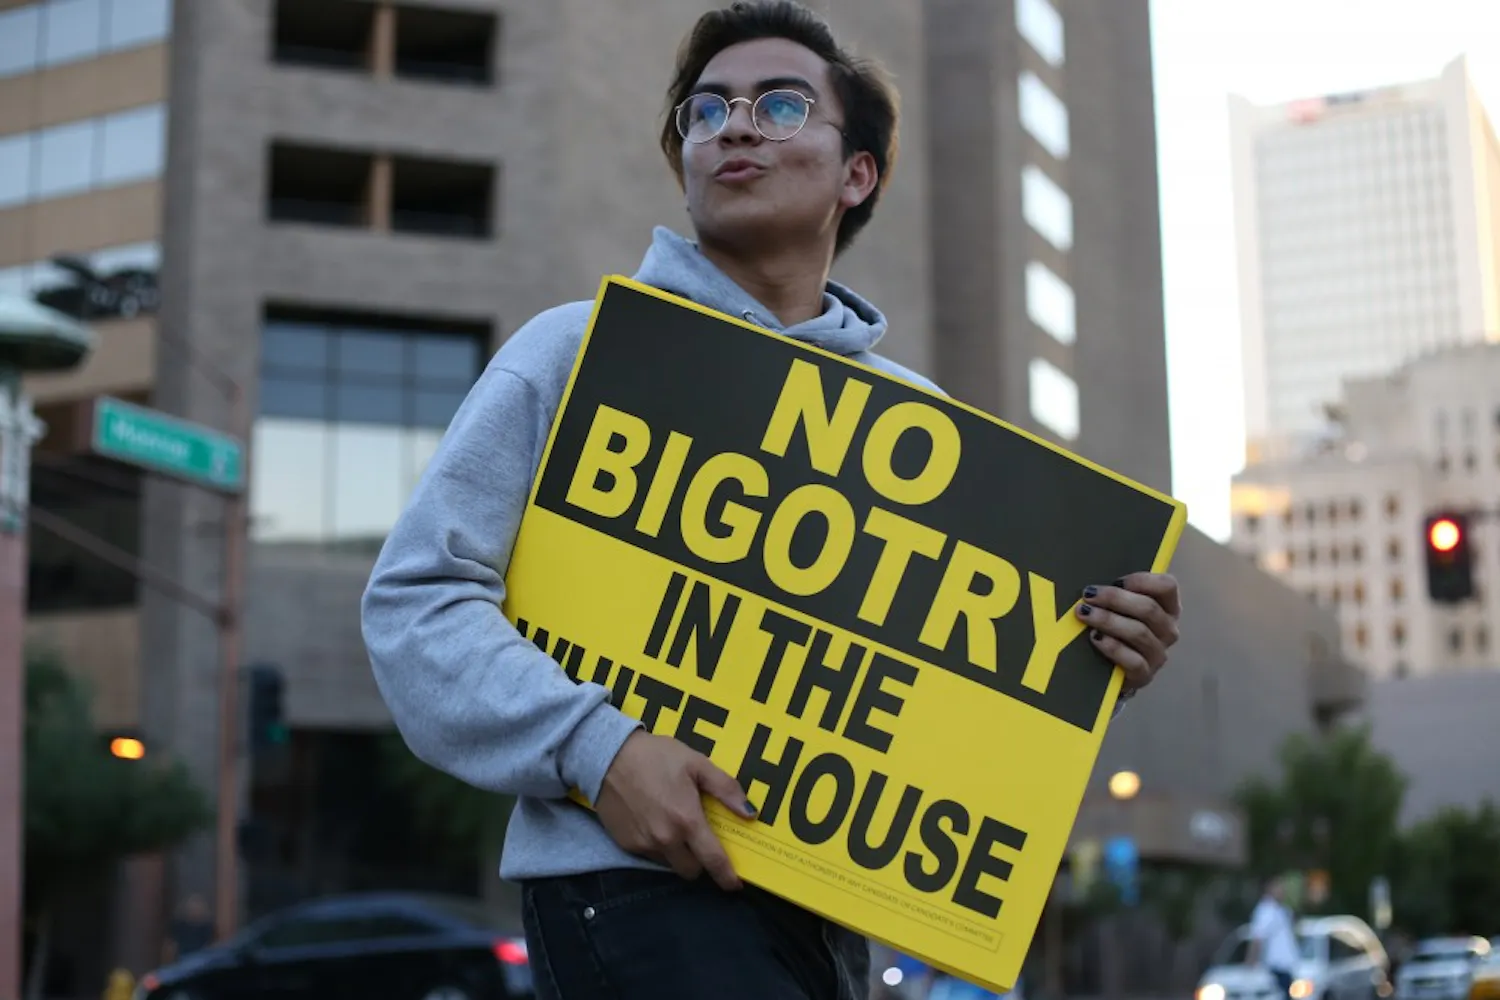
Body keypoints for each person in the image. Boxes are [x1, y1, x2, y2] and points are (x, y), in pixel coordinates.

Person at [360, 3, 1184, 998]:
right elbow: (415, 607)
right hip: (629, 891)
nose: (735, 125)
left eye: (779, 104)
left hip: (837, 924)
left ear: (858, 174)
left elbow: (932, 711)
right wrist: (600, 749)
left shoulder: (919, 425)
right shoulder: (576, 351)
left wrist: (1083, 667)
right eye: (706, 111)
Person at [1247, 876, 1300, 999]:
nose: (1282, 890)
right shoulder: (1265, 910)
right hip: (1276, 968)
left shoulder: (1281, 909)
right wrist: (1251, 961)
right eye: (1278, 886)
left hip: (1287, 967)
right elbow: (1258, 938)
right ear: (1269, 887)